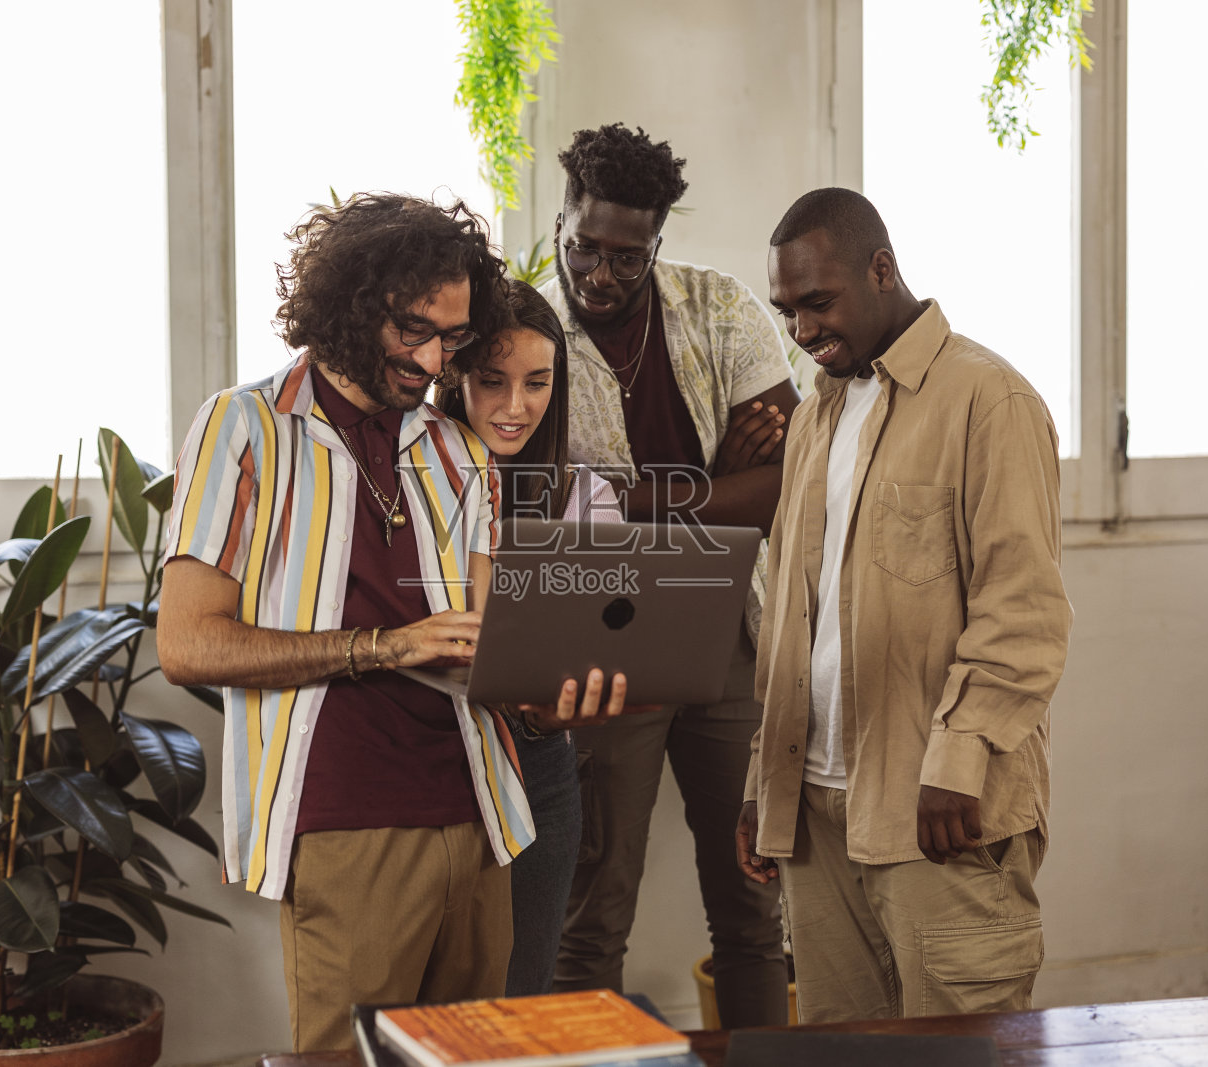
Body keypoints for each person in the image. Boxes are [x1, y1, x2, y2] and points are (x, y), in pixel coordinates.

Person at [155, 193, 627, 1052]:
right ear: (350, 306)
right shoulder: (244, 429)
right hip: (347, 821)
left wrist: (558, 697)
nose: (435, 357)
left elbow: (491, 647)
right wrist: (383, 646)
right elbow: (188, 645)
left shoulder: (457, 450)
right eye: (416, 330)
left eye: (452, 336)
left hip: (486, 814)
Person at [738, 187, 1072, 1022]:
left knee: (957, 1054)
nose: (803, 331)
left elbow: (1022, 611)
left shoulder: (989, 400)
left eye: (819, 303)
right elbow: (790, 616)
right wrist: (763, 779)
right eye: (788, 311)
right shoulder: (816, 415)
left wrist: (959, 758)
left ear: (882, 269)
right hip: (814, 819)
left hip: (938, 816)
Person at [537, 122, 798, 1028]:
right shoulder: (525, 338)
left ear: (658, 243)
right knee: (592, 910)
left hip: (726, 624)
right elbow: (540, 512)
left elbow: (781, 488)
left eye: (627, 257)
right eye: (584, 248)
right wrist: (712, 478)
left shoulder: (718, 307)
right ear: (559, 219)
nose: (600, 275)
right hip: (604, 640)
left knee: (753, 902)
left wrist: (637, 501)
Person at [434, 278, 622, 997]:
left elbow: (597, 636)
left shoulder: (583, 495)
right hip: (430, 751)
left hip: (538, 761)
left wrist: (564, 698)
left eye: (538, 383)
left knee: (522, 990)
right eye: (493, 381)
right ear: (456, 378)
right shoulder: (411, 476)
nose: (517, 407)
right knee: (431, 1002)